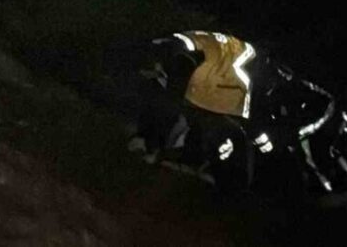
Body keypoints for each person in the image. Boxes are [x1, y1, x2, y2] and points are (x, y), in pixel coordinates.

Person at [130, 31, 335, 193]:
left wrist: (275, 136)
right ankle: (195, 158)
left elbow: (256, 110)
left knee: (261, 145)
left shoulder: (280, 83)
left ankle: (233, 181)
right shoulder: (180, 56)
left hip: (269, 105)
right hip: (240, 94)